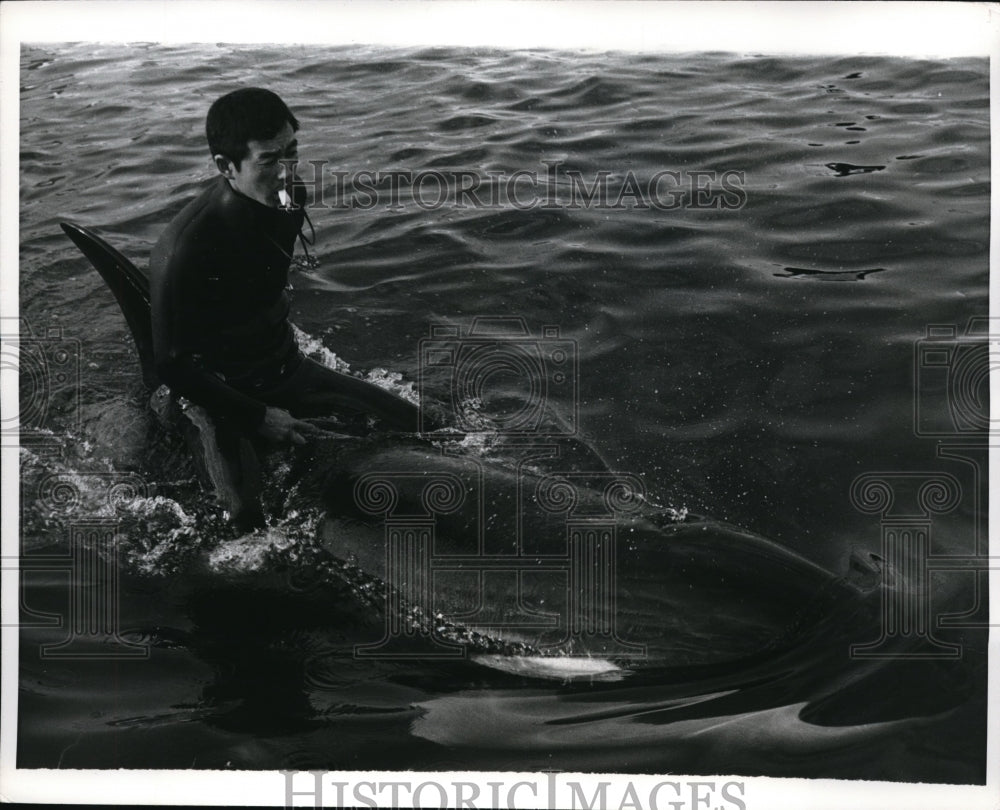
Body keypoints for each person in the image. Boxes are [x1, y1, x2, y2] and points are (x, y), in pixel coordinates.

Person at [150, 88, 425, 530]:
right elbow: (170, 364)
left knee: (427, 426)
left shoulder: (289, 195)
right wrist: (257, 417)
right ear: (226, 167)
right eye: (269, 160)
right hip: (218, 395)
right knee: (248, 528)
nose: (287, 172)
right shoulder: (185, 247)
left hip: (284, 368)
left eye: (292, 153)